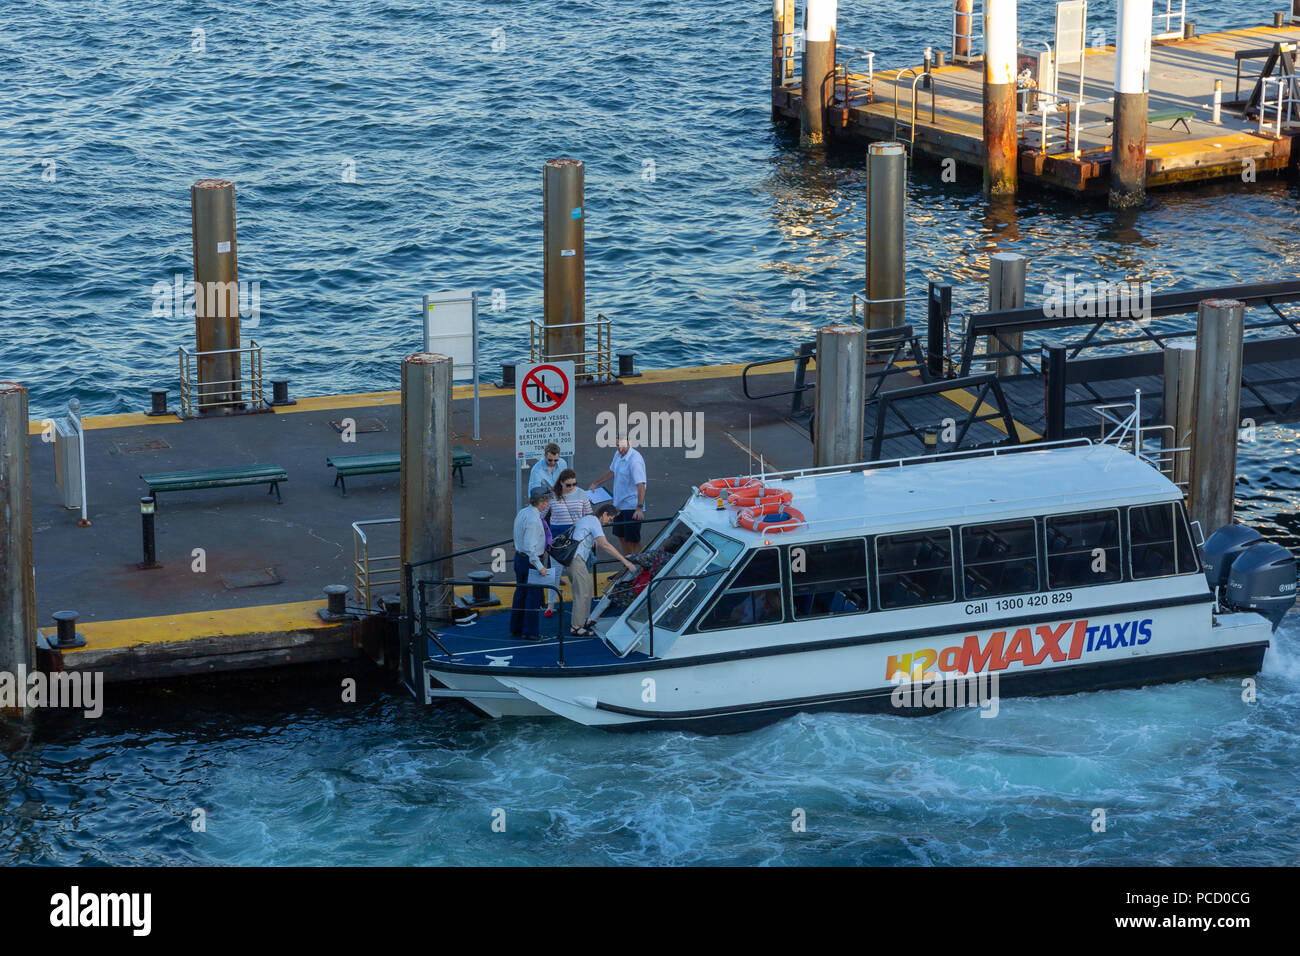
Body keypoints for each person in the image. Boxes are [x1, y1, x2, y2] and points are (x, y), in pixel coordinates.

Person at [565, 503, 635, 636]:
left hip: (575, 560)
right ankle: (576, 627)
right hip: (576, 560)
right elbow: (605, 545)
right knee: (582, 592)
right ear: (604, 514)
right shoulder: (594, 521)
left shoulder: (588, 519)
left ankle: (583, 621)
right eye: (610, 518)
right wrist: (625, 561)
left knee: (587, 588)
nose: (610, 522)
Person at [589, 436, 646, 556]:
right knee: (621, 537)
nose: (620, 448)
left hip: (632, 506)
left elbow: (641, 485)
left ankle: (642, 567)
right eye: (617, 445)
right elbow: (612, 471)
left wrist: (639, 508)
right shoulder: (618, 454)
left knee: (634, 540)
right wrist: (596, 483)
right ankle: (627, 565)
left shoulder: (635, 461)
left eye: (623, 445)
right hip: (619, 506)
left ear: (629, 443)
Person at [510, 486, 553, 639]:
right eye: (546, 501)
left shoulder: (523, 512)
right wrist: (540, 566)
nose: (548, 504)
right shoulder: (535, 519)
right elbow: (530, 547)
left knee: (520, 593)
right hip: (531, 561)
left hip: (519, 558)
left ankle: (516, 627)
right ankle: (530, 632)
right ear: (540, 502)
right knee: (533, 597)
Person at [547, 468, 591, 537]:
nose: (572, 487)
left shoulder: (582, 493)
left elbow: (588, 514)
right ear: (561, 483)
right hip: (557, 532)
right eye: (568, 485)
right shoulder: (552, 495)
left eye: (574, 484)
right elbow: (542, 513)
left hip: (576, 531)